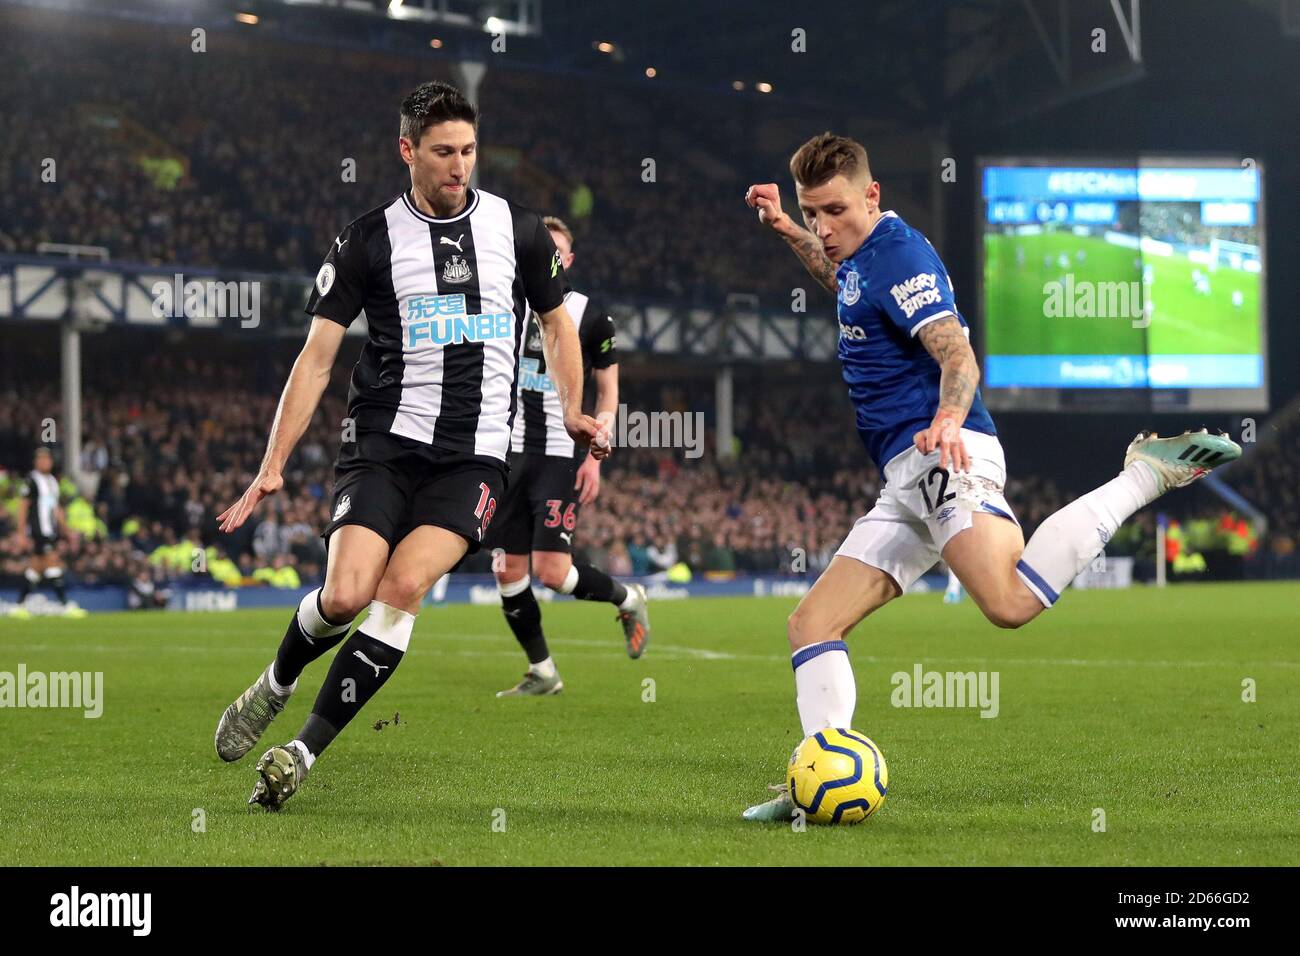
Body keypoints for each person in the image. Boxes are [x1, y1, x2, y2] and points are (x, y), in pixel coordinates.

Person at [740, 132, 1240, 821]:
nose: (826, 228)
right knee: (811, 624)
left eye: (833, 211)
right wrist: (786, 229)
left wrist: (947, 417)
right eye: (812, 211)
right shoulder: (856, 256)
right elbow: (842, 284)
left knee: (1007, 602)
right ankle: (813, 786)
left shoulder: (903, 256)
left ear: (872, 196)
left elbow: (957, 352)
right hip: (905, 474)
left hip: (948, 452)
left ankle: (1144, 476)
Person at [212, 81, 608, 811]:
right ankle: (275, 682)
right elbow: (317, 357)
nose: (459, 166)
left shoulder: (518, 232)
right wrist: (272, 466)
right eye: (443, 152)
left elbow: (556, 326)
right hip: (384, 447)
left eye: (468, 151)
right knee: (345, 594)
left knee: (401, 590)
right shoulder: (367, 240)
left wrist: (574, 407)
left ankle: (301, 752)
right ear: (408, 151)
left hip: (478, 456)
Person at [487, 215, 649, 698]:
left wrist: (595, 456)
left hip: (560, 455)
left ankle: (628, 596)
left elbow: (609, 391)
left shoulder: (590, 316)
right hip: (507, 454)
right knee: (506, 571)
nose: (547, 259)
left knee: (553, 574)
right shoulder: (505, 305)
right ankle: (543, 671)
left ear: (568, 260)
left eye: (556, 252)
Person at [10, 447, 86, 619]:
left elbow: (55, 510)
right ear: (36, 462)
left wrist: (66, 530)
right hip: (38, 531)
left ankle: (19, 605)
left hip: (50, 531)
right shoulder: (31, 480)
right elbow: (22, 507)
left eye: (47, 459)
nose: (44, 462)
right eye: (40, 459)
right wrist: (21, 534)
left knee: (35, 569)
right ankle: (65, 604)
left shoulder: (52, 481)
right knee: (53, 563)